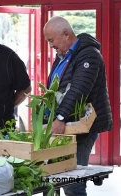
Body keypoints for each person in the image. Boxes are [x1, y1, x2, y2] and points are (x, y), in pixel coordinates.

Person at [43, 16, 113, 196]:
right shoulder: (62, 56)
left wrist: (60, 117)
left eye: (52, 40)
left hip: (79, 128)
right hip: (61, 128)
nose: (51, 45)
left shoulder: (89, 54)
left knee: (71, 181)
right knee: (56, 176)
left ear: (66, 34)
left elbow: (79, 89)